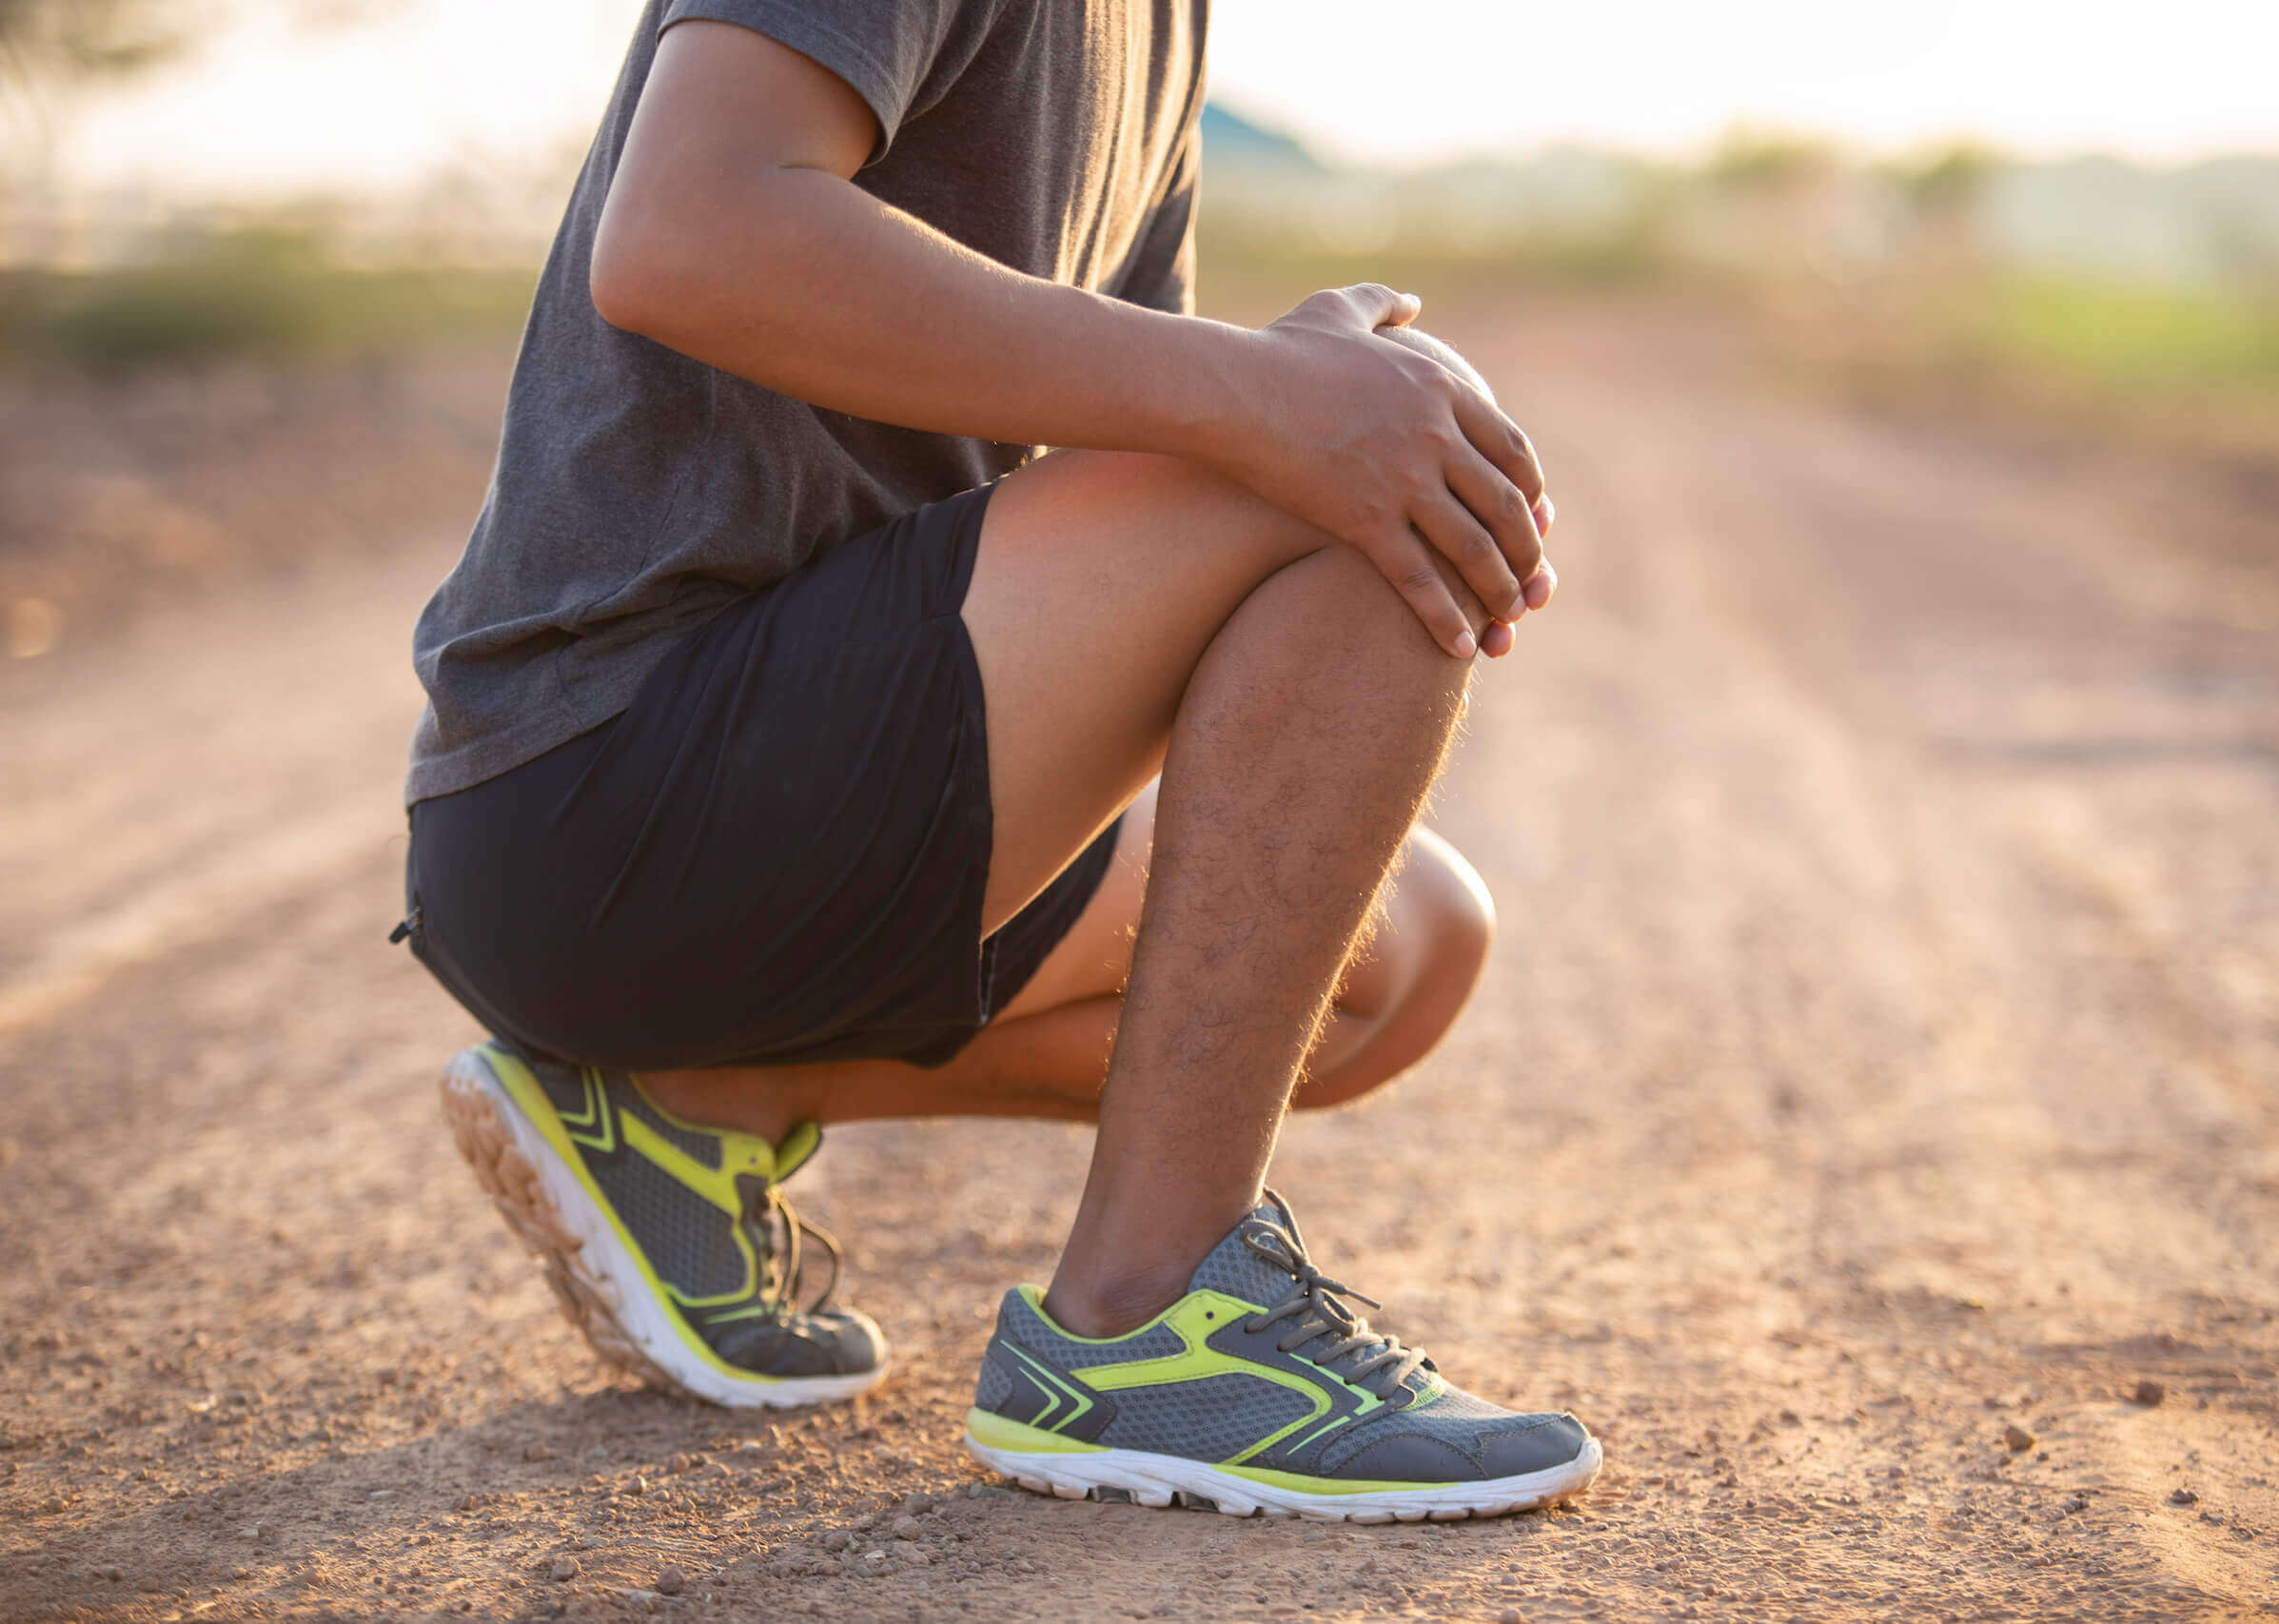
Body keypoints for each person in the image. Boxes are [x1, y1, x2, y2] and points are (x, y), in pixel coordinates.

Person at [400, 0, 1601, 1522]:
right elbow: (688, 232)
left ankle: (694, 1105)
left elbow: (1096, 426)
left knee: (1400, 955)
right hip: (604, 781)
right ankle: (1152, 1319)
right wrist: (1283, 399)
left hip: (812, 780)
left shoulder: (1160, 28)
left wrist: (1274, 407)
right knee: (1371, 447)